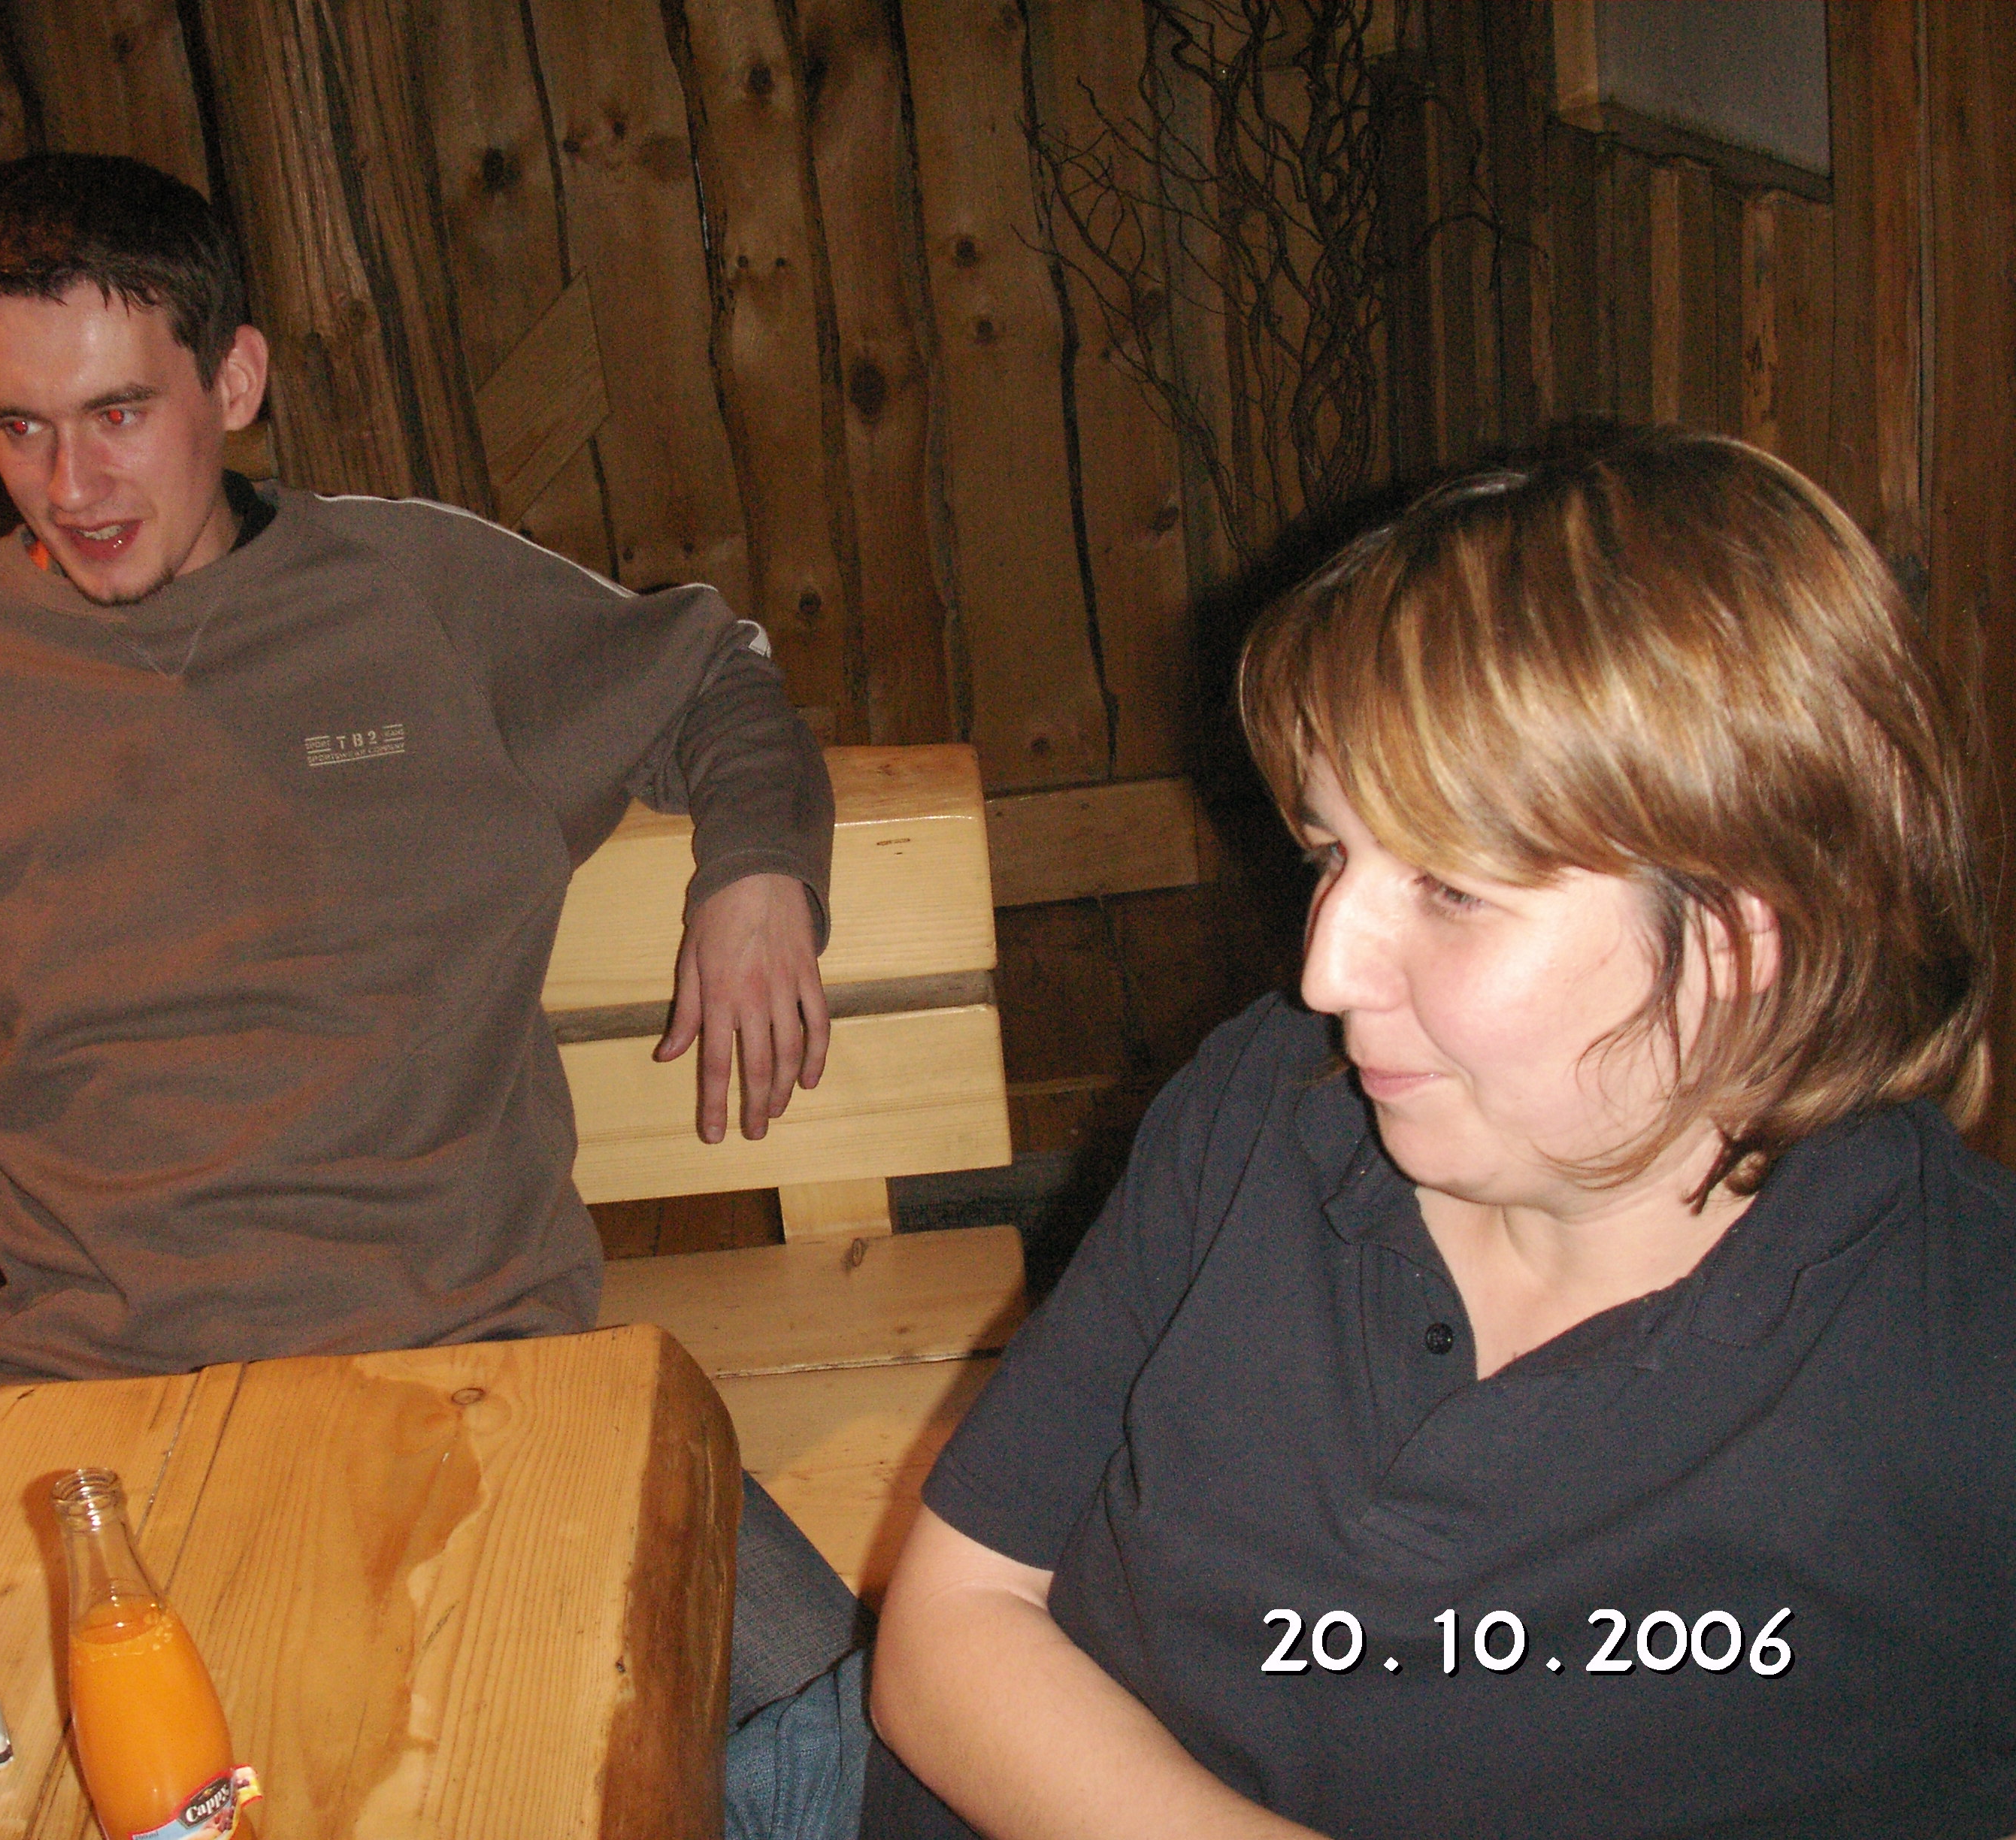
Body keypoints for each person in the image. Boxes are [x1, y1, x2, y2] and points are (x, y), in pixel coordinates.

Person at [0, 153, 861, 1720]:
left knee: (855, 1728)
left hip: (483, 1371)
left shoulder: (417, 592)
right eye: (19, 427)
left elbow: (717, 672)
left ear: (232, 381)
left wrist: (758, 872)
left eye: (119, 413)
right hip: (104, 1422)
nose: (71, 485)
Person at [861, 427, 2016, 1838]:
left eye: (1452, 891)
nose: (1325, 970)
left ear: (1734, 939)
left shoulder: (1967, 1383)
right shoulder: (1269, 1102)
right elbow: (951, 1621)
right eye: (1332, 856)